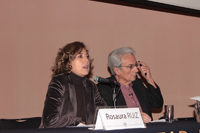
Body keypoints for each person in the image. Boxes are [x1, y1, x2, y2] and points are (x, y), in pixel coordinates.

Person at [40, 41, 106, 128]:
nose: (86, 60)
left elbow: (105, 114)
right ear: (68, 63)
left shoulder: (91, 86)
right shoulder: (59, 82)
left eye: (87, 56)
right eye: (80, 56)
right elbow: (50, 120)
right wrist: (77, 121)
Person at [97, 47, 163, 123]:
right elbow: (106, 117)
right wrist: (135, 117)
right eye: (130, 66)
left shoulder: (137, 84)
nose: (136, 69)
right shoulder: (105, 87)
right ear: (117, 70)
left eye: (136, 65)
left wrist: (149, 79)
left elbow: (157, 104)